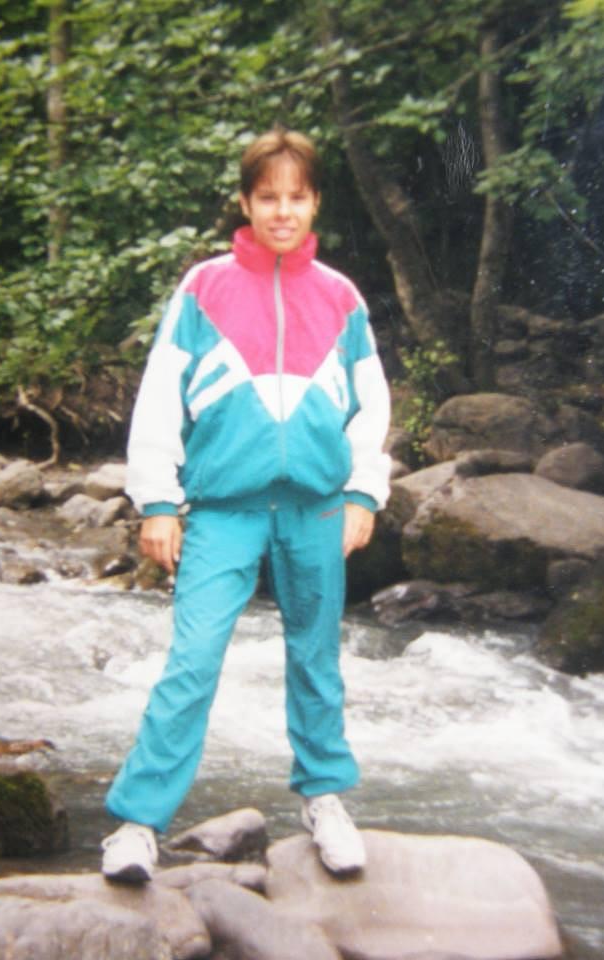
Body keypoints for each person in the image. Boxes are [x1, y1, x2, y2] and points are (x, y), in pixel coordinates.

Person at [101, 128, 392, 883]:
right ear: (245, 202)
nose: (282, 211)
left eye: (296, 197)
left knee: (316, 659)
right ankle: (138, 822)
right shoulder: (204, 288)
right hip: (223, 510)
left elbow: (371, 405)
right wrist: (158, 501)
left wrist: (364, 490)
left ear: (315, 202)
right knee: (192, 660)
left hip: (316, 508)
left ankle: (325, 800)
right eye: (268, 197)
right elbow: (159, 397)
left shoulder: (341, 296)